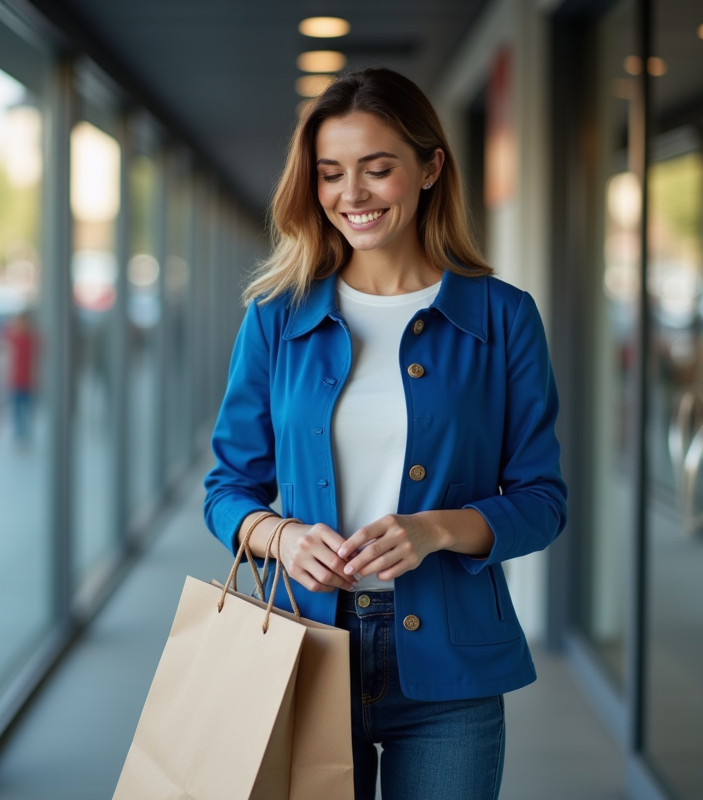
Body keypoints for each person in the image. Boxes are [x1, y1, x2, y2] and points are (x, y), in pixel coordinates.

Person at [203, 68, 568, 800]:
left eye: (378, 169)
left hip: (450, 669)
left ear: (430, 167)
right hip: (304, 646)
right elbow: (227, 489)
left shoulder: (503, 317)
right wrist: (283, 537)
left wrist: (435, 529)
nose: (352, 194)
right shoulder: (277, 317)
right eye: (331, 174)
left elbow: (542, 500)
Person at [1, 312, 38, 446]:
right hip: (15, 380)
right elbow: (3, 334)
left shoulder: (30, 339)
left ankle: (26, 434)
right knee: (16, 410)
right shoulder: (16, 338)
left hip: (28, 380)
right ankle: (19, 435)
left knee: (26, 409)